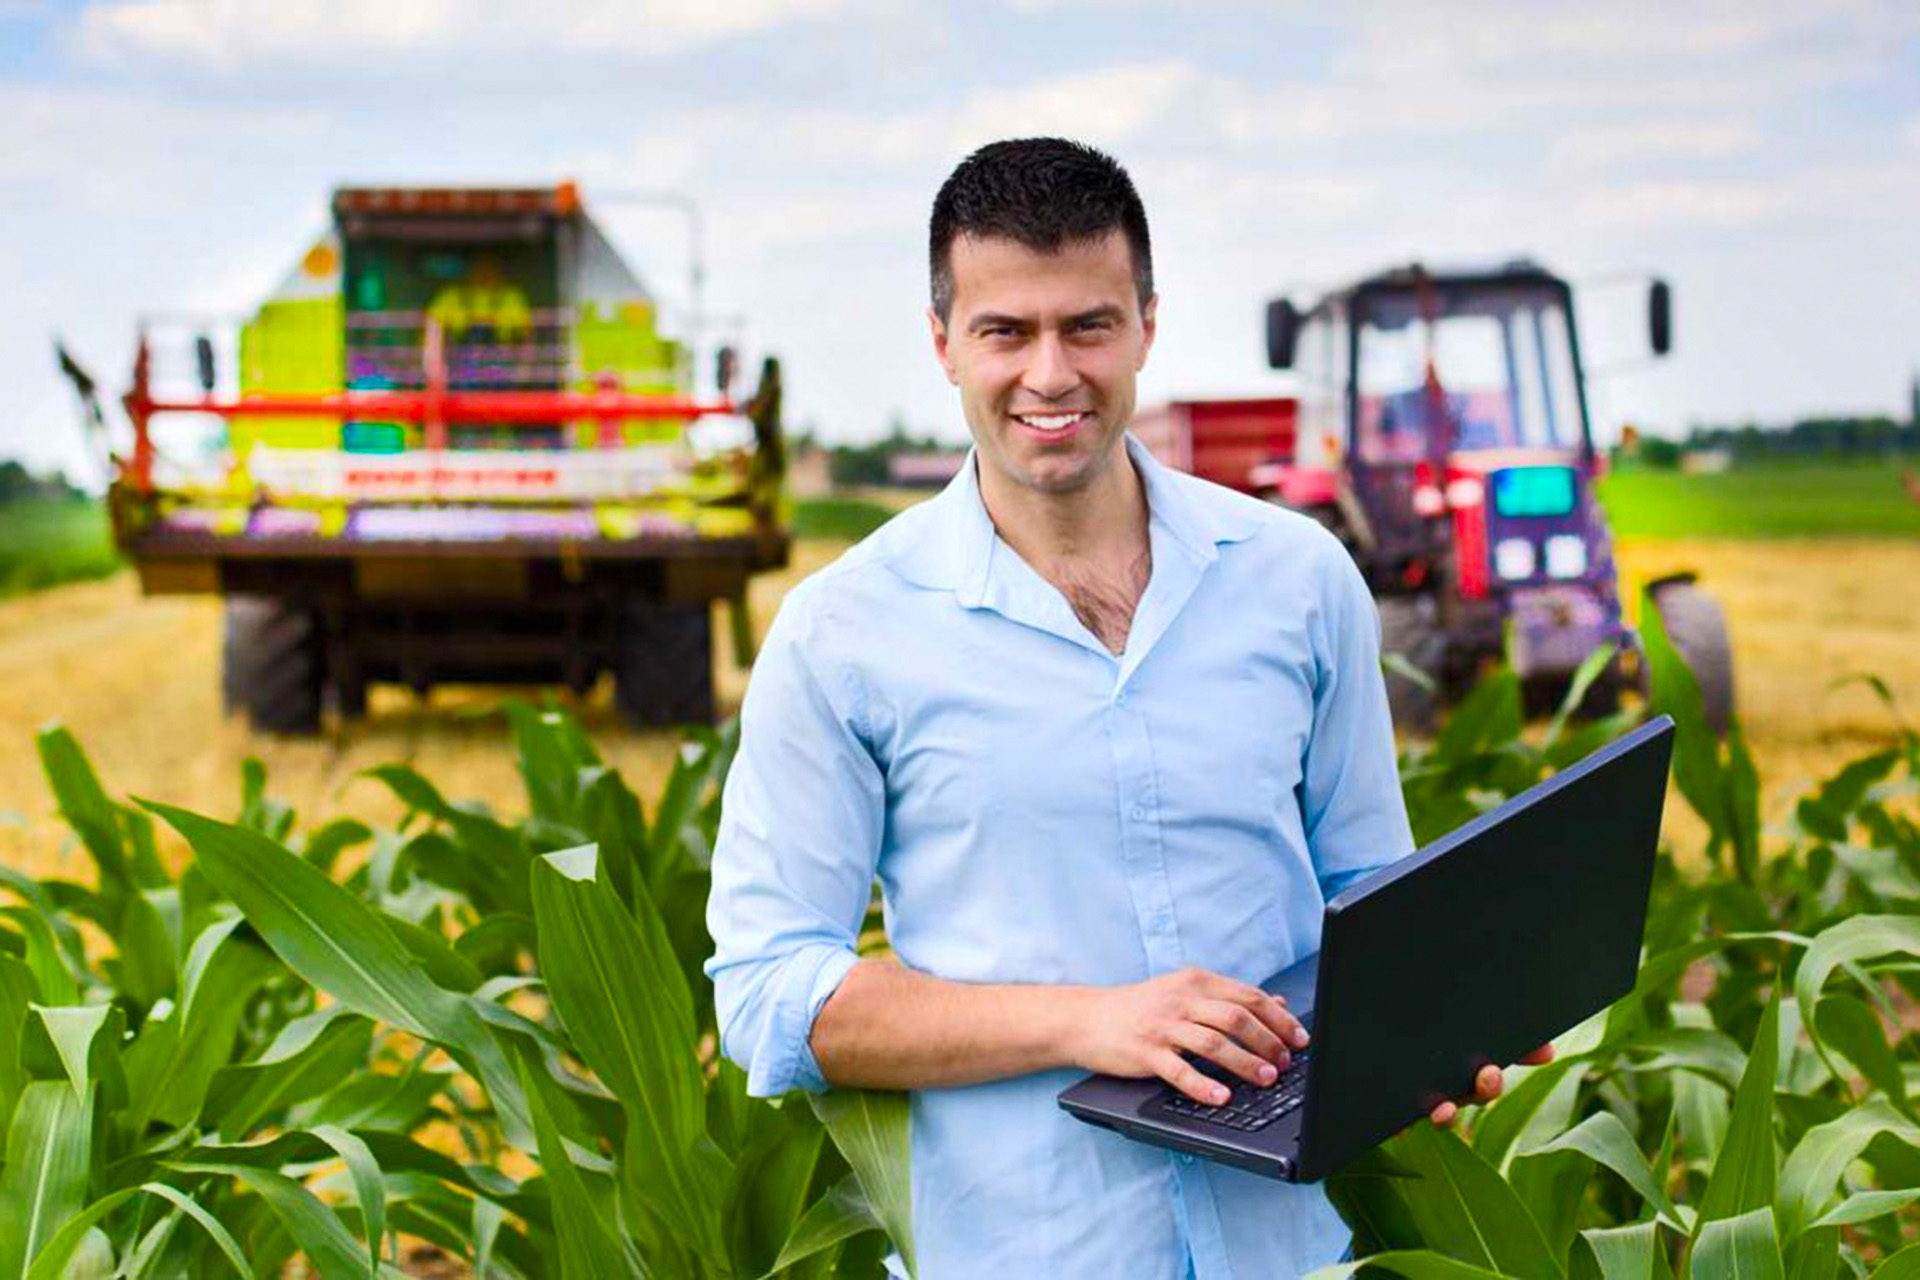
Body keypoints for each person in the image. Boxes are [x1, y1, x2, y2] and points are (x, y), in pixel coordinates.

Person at [705, 137, 1542, 1279]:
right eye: (1007, 331)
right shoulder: (844, 632)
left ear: (1147, 322)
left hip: (1290, 1250)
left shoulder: (1296, 579)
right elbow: (769, 994)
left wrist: (1447, 1016)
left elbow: (1366, 895)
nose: (1051, 373)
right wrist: (1089, 1020)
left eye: (1088, 325)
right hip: (1017, 1250)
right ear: (943, 342)